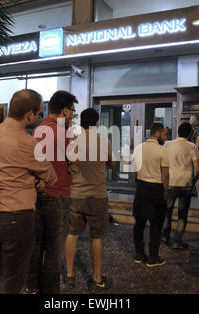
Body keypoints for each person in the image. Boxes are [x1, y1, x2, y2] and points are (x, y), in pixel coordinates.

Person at [0, 89, 57, 294]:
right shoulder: (28, 142)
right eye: (39, 113)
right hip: (15, 217)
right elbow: (50, 175)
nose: (39, 117)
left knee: (6, 270)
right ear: (29, 113)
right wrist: (36, 179)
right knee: (13, 280)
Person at [26, 90, 78, 294]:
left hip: (39, 194)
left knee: (37, 245)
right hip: (58, 195)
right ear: (64, 110)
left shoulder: (39, 129)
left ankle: (32, 286)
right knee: (55, 251)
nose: (73, 114)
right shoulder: (63, 132)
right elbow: (74, 163)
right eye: (72, 110)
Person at [64, 108, 115, 292]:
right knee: (97, 237)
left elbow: (68, 166)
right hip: (97, 196)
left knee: (72, 234)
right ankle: (97, 279)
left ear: (81, 123)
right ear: (96, 123)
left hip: (76, 195)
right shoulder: (103, 142)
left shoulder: (73, 143)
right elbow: (112, 163)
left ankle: (69, 275)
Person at [131, 123, 168, 266]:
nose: (165, 137)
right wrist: (165, 191)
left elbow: (133, 171)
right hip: (156, 190)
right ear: (157, 134)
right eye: (164, 134)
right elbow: (165, 175)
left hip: (141, 188)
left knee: (139, 224)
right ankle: (153, 257)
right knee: (156, 225)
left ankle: (139, 254)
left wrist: (138, 184)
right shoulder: (161, 150)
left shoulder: (139, 148)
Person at [162, 122, 199, 249]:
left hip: (170, 183)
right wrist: (192, 182)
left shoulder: (167, 145)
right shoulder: (192, 146)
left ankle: (165, 236)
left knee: (167, 212)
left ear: (178, 131)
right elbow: (198, 169)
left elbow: (162, 165)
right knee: (182, 214)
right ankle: (178, 241)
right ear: (190, 133)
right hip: (185, 184)